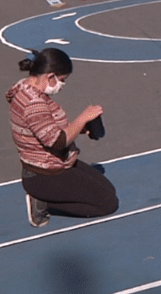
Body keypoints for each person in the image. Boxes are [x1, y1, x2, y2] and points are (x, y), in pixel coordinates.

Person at [6, 48, 118, 227]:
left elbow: (46, 128)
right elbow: (57, 142)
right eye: (62, 80)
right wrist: (83, 118)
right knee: (107, 203)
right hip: (45, 173)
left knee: (108, 190)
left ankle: (45, 196)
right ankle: (43, 202)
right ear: (51, 77)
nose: (62, 85)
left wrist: (80, 128)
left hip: (54, 162)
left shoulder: (26, 88)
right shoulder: (34, 104)